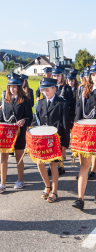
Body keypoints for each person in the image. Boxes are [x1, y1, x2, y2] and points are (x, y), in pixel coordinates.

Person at [31, 78, 70, 203]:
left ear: (54, 89)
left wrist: (65, 143)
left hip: (55, 140)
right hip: (41, 139)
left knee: (53, 164)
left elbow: (65, 124)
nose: (45, 93)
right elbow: (34, 120)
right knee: (39, 163)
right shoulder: (40, 103)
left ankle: (54, 191)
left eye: (48, 90)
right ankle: (47, 185)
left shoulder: (62, 103)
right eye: (43, 90)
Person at [0, 73, 33, 192]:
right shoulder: (5, 100)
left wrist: (24, 120)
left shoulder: (25, 100)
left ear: (20, 87)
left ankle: (20, 180)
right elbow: (0, 118)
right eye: (10, 86)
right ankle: (2, 183)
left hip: (19, 133)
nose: (12, 88)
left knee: (18, 158)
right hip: (6, 133)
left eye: (15, 86)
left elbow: (30, 117)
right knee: (3, 158)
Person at [72, 61, 96, 210]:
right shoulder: (83, 91)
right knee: (84, 166)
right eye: (93, 74)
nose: (95, 77)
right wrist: (74, 135)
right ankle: (80, 199)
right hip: (86, 135)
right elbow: (78, 116)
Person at [48, 66, 73, 176]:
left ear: (62, 76)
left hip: (63, 117)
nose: (56, 77)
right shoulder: (50, 87)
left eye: (58, 75)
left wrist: (70, 120)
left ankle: (61, 166)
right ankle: (52, 164)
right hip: (53, 118)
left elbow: (71, 105)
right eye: (54, 75)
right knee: (52, 143)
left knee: (61, 143)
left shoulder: (66, 89)